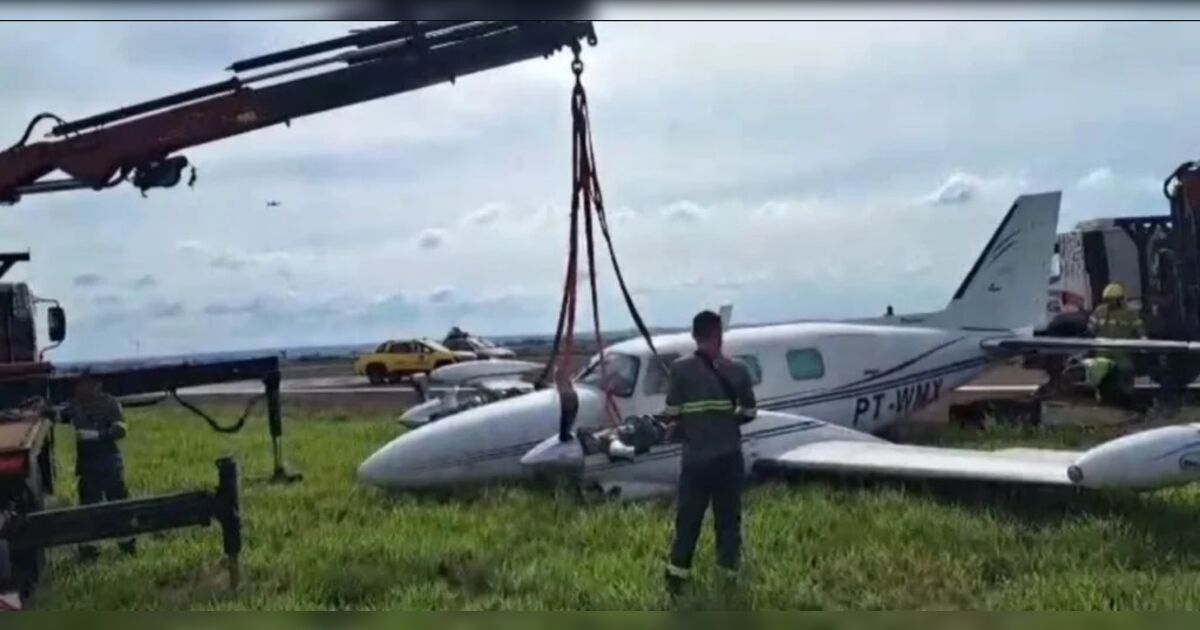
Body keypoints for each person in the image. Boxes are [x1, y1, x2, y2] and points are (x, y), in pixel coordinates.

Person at [660, 310, 757, 597]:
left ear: (694, 336)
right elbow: (750, 412)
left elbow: (671, 413)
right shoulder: (738, 370)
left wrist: (685, 424)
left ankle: (677, 580)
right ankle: (727, 577)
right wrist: (725, 422)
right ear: (719, 335)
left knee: (688, 520)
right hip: (728, 458)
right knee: (728, 520)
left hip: (695, 461)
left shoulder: (679, 370)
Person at [67, 373, 136, 561]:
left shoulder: (109, 403)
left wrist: (97, 435)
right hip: (89, 465)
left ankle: (127, 546)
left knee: (119, 505)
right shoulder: (76, 404)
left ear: (97, 384)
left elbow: (121, 429)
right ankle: (89, 551)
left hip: (108, 462)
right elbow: (61, 415)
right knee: (89, 508)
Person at [1087, 282, 1146, 407]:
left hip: (1116, 353)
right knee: (1106, 377)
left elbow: (1140, 330)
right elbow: (1090, 329)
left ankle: (1121, 402)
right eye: (1110, 300)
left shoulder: (1128, 312)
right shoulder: (1103, 312)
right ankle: (1109, 401)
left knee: (1122, 376)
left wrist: (1144, 344)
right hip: (1111, 353)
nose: (1111, 303)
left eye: (1112, 300)